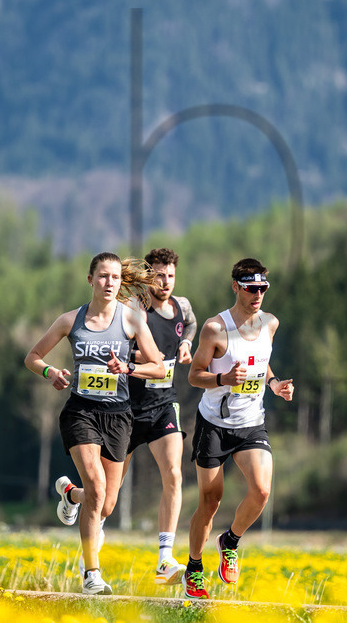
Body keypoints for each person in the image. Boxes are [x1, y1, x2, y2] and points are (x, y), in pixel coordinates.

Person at [25, 252, 165, 595]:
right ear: (90, 280)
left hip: (118, 416)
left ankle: (71, 495)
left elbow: (159, 368)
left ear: (121, 281)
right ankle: (91, 574)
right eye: (103, 276)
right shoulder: (69, 320)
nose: (109, 282)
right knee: (98, 489)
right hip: (81, 412)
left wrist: (128, 368)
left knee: (106, 503)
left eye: (115, 277)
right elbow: (32, 357)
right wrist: (50, 372)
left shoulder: (131, 320)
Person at [183, 258, 295, 600]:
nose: (257, 294)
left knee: (261, 490)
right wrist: (223, 379)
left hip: (251, 424)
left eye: (263, 288)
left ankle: (229, 541)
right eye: (251, 288)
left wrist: (274, 384)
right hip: (214, 426)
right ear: (236, 287)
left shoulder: (270, 323)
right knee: (210, 501)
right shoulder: (215, 328)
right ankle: (194, 567)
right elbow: (194, 376)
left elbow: (262, 360)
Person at [122, 248, 196, 585]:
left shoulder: (182, 307)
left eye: (171, 276)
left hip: (164, 403)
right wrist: (139, 355)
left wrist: (186, 344)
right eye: (159, 276)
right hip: (126, 406)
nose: (165, 282)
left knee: (174, 475)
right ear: (148, 276)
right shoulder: (134, 308)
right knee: (107, 494)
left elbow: (190, 324)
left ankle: (165, 560)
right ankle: (74, 495)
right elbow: (114, 343)